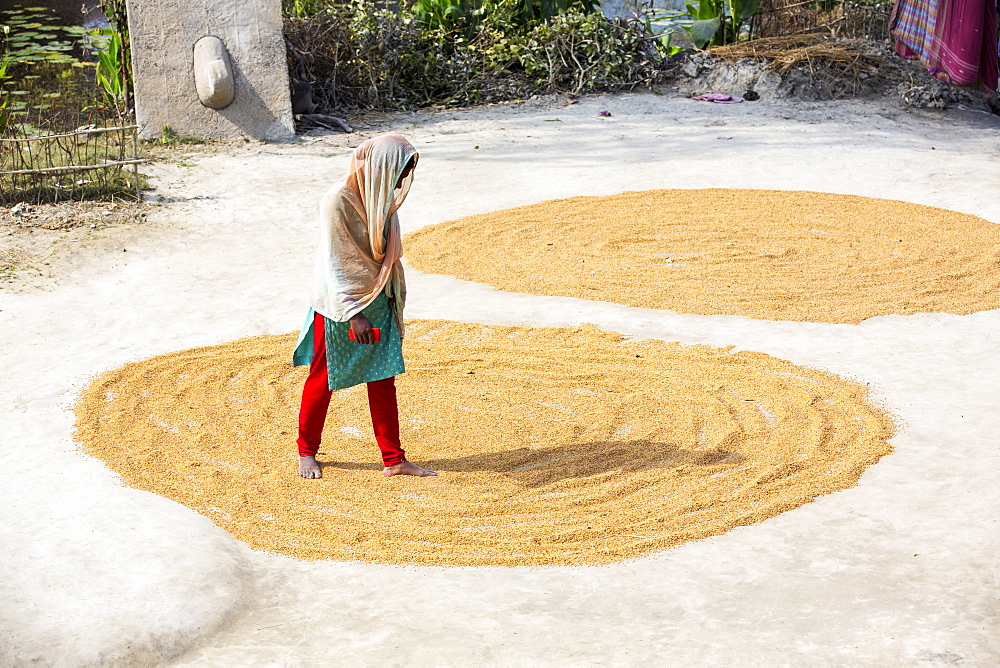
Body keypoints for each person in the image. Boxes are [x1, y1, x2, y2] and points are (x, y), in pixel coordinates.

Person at [292, 134, 437, 479]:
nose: (402, 181)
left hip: (378, 296)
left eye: (405, 173)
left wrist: (385, 298)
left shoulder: (381, 198)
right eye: (398, 171)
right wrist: (353, 313)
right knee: (323, 377)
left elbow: (387, 252)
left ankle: (394, 459)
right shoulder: (337, 201)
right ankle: (306, 452)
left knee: (383, 377)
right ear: (379, 167)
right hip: (341, 305)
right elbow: (334, 262)